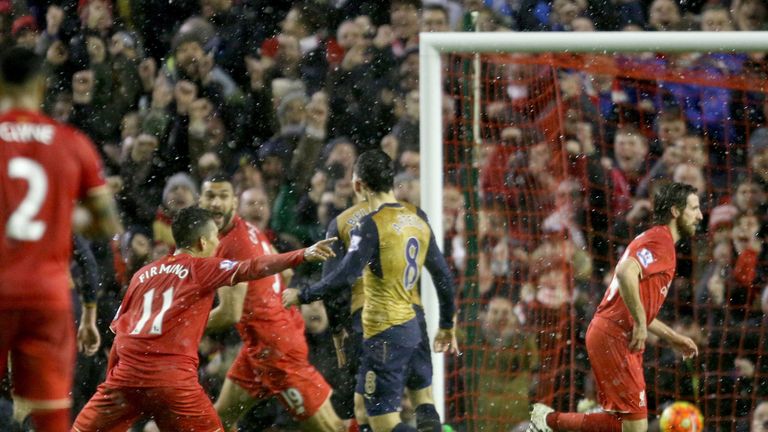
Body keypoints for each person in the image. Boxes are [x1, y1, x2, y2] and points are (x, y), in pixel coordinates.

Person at [72, 207, 335, 431]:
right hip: (173, 383)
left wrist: (112, 383)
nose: (217, 245)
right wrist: (302, 254)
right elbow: (251, 267)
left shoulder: (142, 275)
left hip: (124, 379)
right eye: (214, 240)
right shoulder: (201, 268)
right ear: (202, 243)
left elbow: (120, 338)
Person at [283, 149, 458, 432]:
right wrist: (447, 323)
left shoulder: (349, 224)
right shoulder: (417, 216)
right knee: (423, 398)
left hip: (375, 323)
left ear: (357, 185)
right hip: (415, 318)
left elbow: (340, 280)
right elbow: (443, 276)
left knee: (375, 417)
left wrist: (309, 300)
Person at [0, 46, 122, 432]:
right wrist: (59, 214)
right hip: (49, 298)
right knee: (52, 416)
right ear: (41, 87)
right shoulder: (72, 142)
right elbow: (107, 222)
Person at [528, 182, 703, 432]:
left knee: (622, 425)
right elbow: (624, 272)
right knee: (634, 428)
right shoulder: (661, 242)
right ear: (676, 211)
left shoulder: (655, 240)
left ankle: (547, 421)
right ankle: (547, 421)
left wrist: (672, 337)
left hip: (612, 333)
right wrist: (641, 324)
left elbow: (638, 305)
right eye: (694, 208)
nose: (700, 215)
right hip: (614, 336)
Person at [198, 174, 346, 432]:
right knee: (218, 422)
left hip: (276, 348)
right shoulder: (247, 229)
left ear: (233, 201)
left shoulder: (232, 247)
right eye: (210, 196)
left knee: (330, 429)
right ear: (201, 200)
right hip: (262, 343)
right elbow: (286, 272)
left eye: (223, 196)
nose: (216, 203)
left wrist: (179, 324)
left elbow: (230, 314)